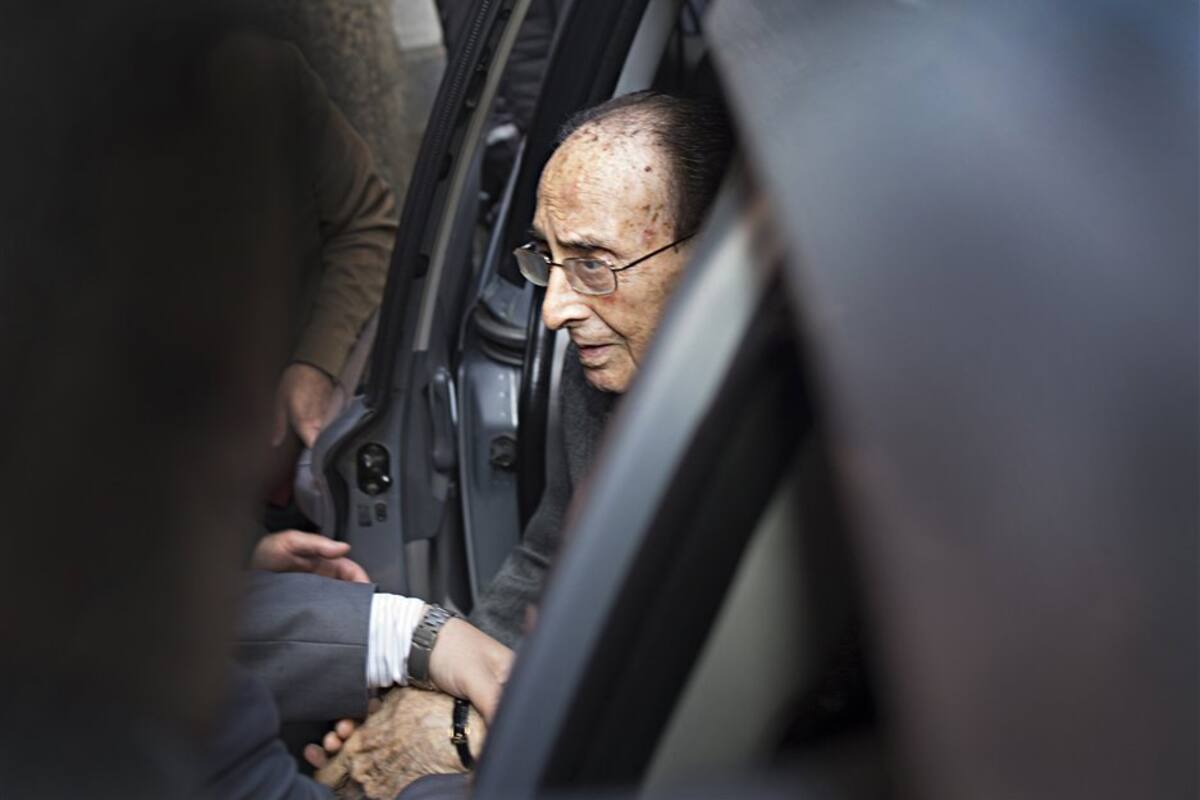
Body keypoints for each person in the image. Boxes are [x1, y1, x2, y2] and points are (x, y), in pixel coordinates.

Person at [304, 90, 735, 788]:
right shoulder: (603, 366)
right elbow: (545, 556)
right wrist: (440, 690)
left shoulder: (801, 438)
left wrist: (467, 732)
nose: (555, 310)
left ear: (715, 254)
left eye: (593, 262)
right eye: (547, 257)